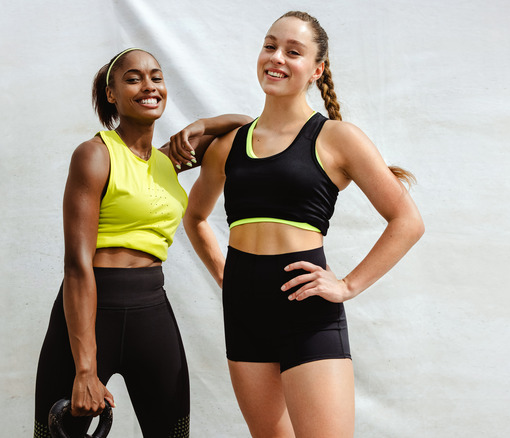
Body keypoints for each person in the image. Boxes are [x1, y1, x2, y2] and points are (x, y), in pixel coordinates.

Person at [178, 11, 424, 438]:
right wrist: (226, 276)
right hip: (243, 312)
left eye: (293, 52)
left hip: (307, 311)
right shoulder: (228, 146)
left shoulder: (337, 138)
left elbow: (407, 221)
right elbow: (195, 217)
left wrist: (347, 285)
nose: (277, 57)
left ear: (317, 69)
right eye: (270, 45)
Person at [33, 47, 250, 438]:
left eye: (156, 77)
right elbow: (76, 265)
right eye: (133, 78)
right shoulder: (95, 155)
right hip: (89, 313)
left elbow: (252, 130)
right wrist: (86, 369)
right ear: (111, 94)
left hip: (152, 310)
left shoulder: (170, 160)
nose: (149, 86)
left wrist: (202, 123)